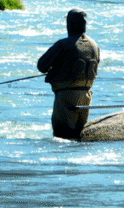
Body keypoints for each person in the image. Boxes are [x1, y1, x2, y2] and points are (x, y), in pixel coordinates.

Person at [37, 9, 100, 140]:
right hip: (86, 98)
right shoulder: (95, 46)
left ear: (69, 24)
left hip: (65, 99)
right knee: (78, 139)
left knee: (62, 138)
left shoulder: (63, 44)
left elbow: (41, 66)